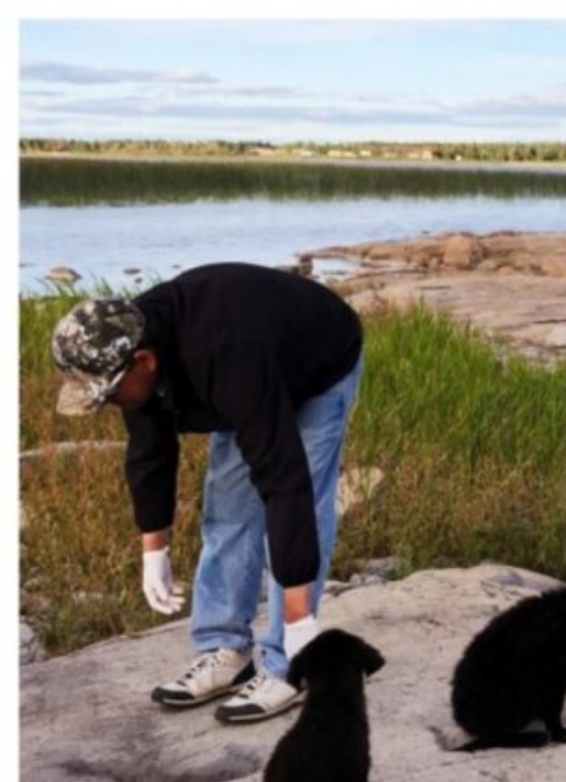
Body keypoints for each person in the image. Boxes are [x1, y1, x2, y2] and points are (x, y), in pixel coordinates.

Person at [51, 262, 364, 722]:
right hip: (252, 359)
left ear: (145, 363)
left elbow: (285, 483)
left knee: (302, 497)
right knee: (227, 503)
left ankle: (288, 663)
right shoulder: (128, 347)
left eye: (109, 396)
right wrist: (152, 550)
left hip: (318, 360)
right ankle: (226, 650)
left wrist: (299, 624)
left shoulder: (222, 355)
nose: (108, 406)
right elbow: (150, 453)